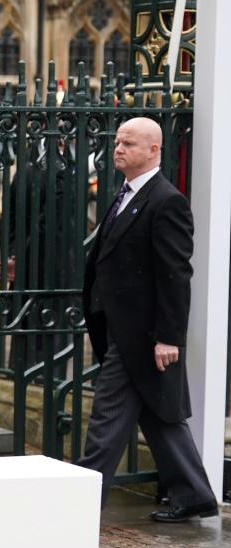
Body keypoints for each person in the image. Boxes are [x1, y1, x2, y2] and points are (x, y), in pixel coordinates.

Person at [78, 117, 217, 521]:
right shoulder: (126, 193)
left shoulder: (165, 200)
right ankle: (193, 493)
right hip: (121, 326)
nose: (118, 149)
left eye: (129, 144)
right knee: (158, 413)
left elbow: (175, 275)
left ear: (154, 150)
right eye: (118, 142)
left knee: (107, 415)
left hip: (140, 333)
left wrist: (169, 337)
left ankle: (83, 498)